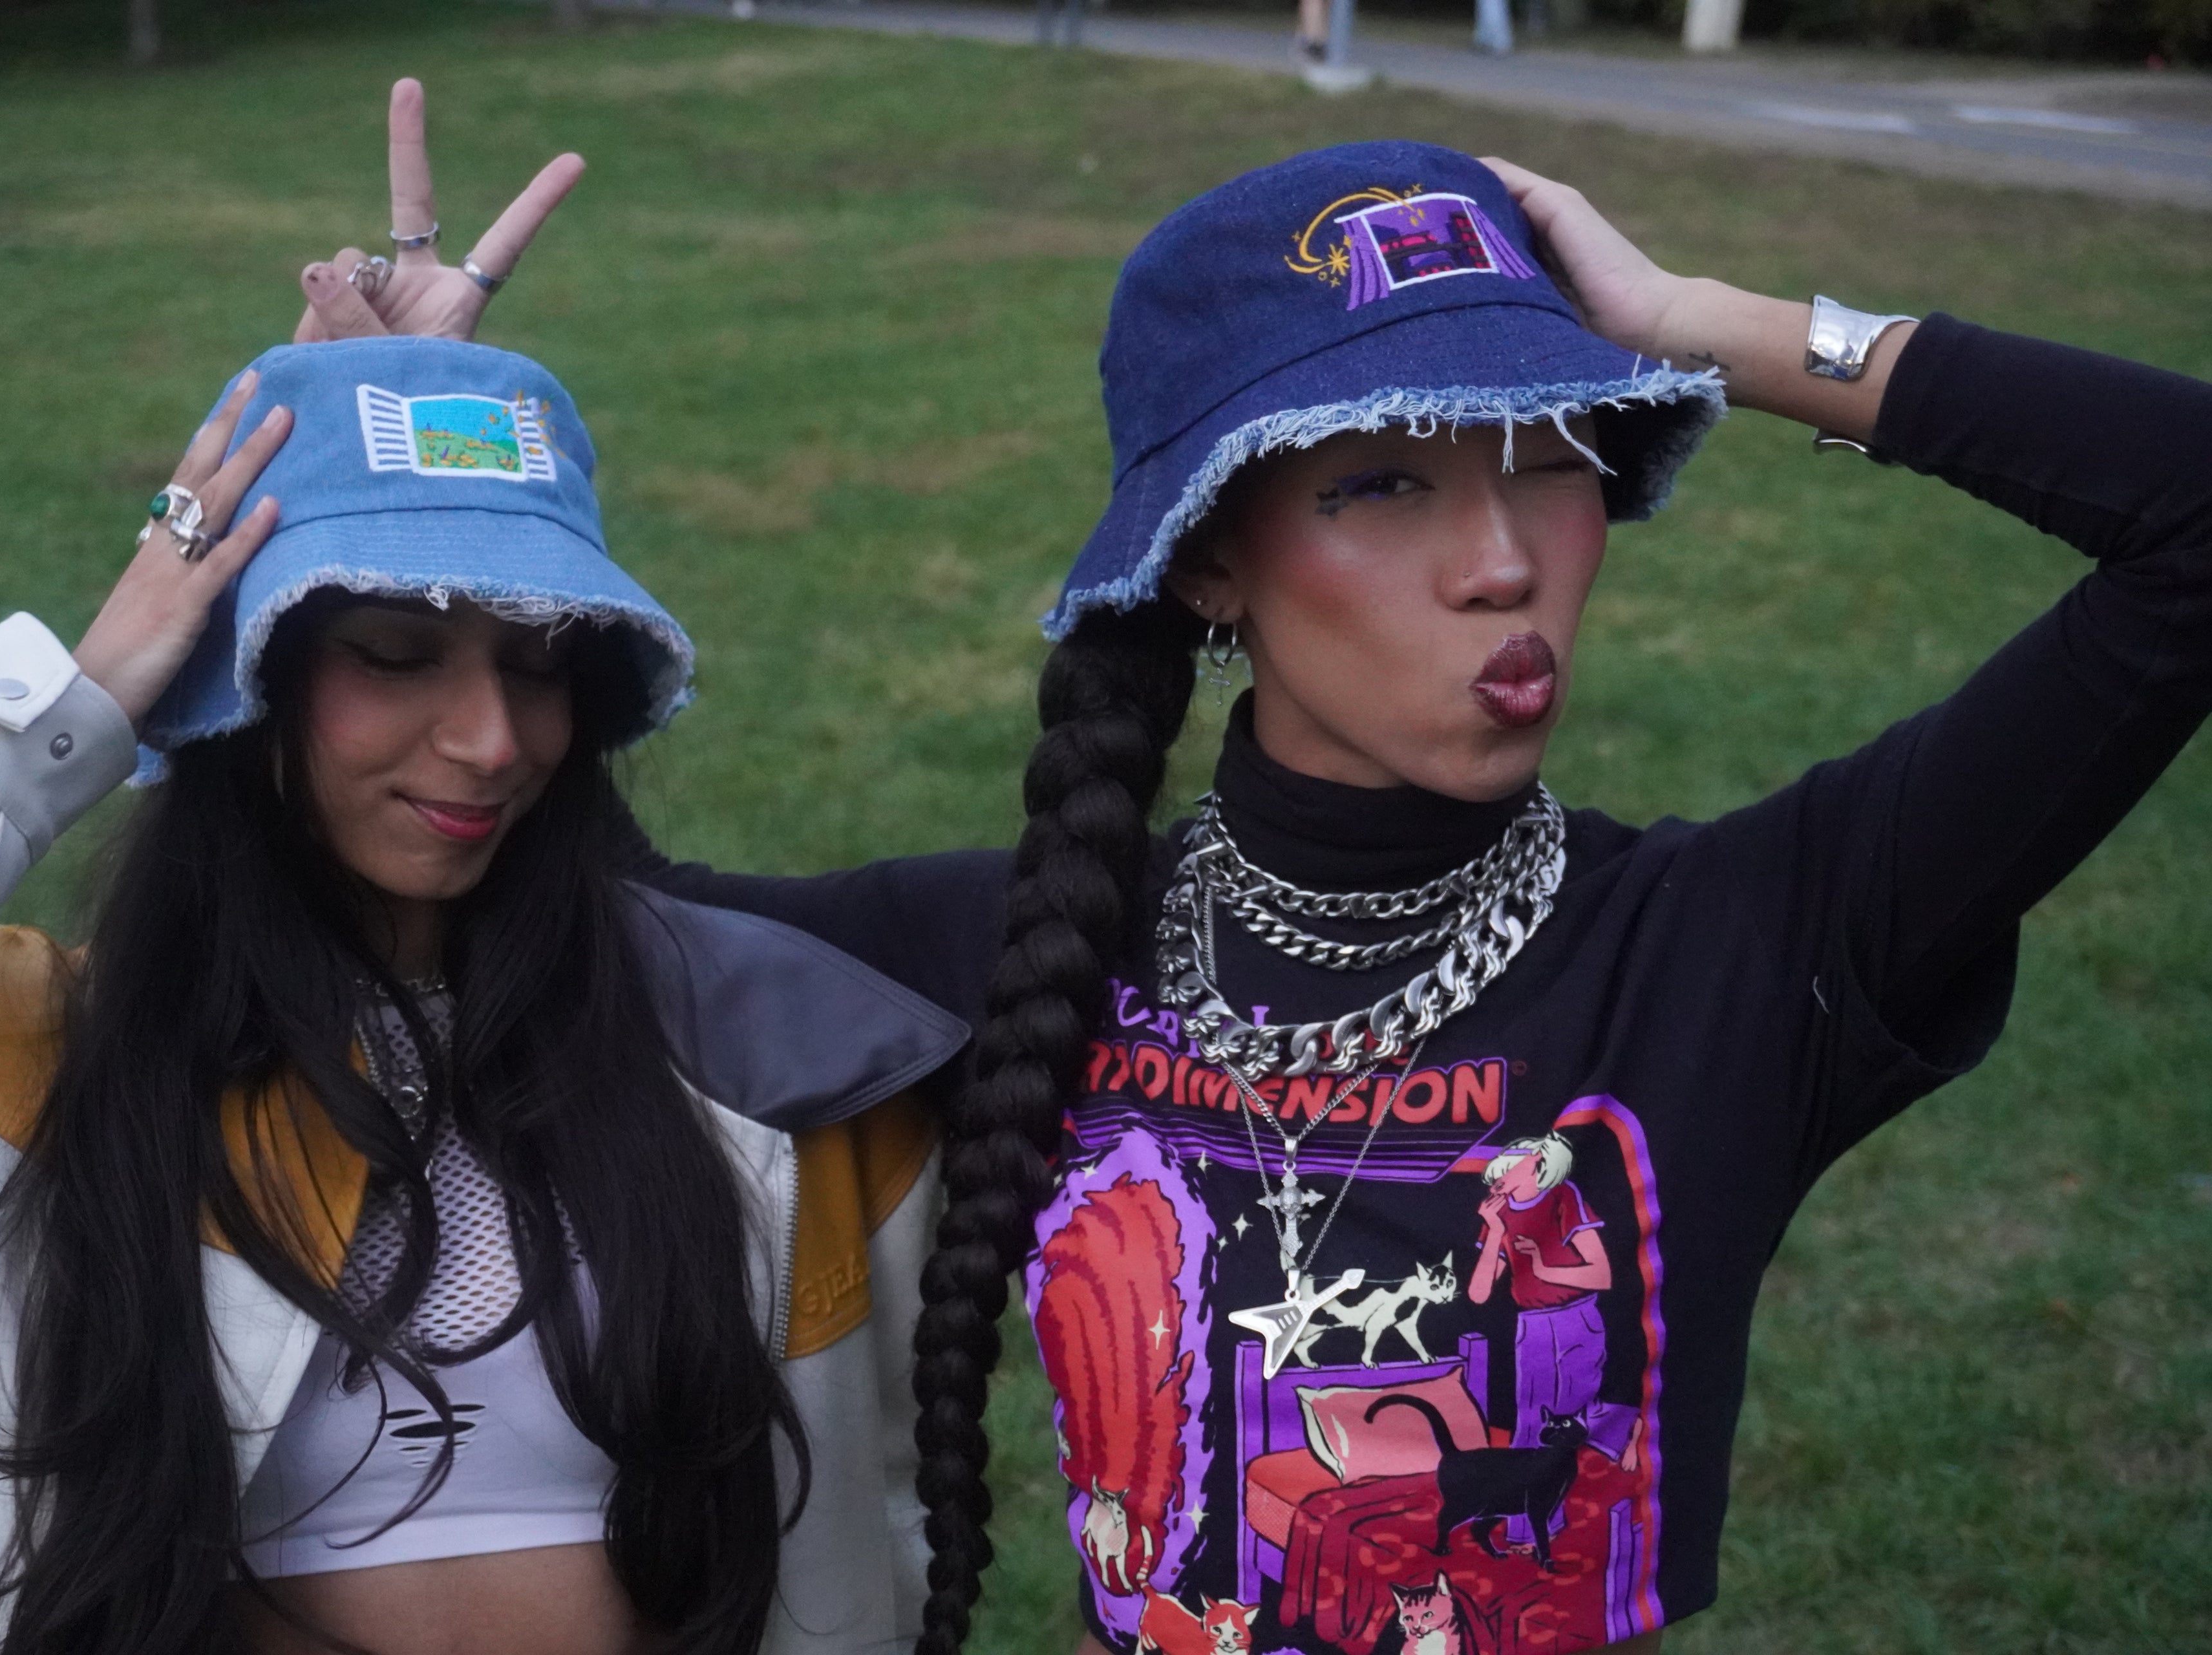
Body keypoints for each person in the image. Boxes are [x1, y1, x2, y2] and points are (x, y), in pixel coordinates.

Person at [290, 121, 2209, 1655]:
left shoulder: (1747, 946)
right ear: (1212, 563)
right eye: (1381, 483)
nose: (1504, 563)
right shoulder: (1028, 947)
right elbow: (548, 886)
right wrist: (417, 501)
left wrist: (1700, 322)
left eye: (1550, 461)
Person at [0, 329, 964, 1653]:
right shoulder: (0, 1077)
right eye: (393, 652)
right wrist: (66, 711)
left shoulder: (773, 1086)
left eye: (538, 661)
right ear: (244, 676)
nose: (492, 740)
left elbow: (860, 1553)